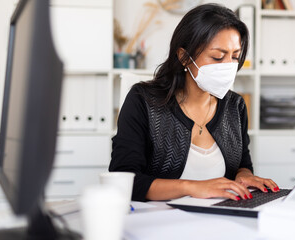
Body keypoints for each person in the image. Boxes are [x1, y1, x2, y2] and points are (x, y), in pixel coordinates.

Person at [109, 3, 279, 202]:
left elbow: (242, 163)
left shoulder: (236, 106)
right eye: (217, 57)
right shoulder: (142, 101)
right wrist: (192, 187)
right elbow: (125, 180)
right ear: (184, 57)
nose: (229, 67)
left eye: (235, 56)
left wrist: (245, 177)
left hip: (221, 220)